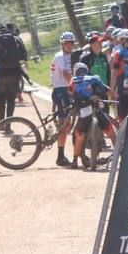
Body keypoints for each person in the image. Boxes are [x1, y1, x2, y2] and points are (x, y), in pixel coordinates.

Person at [69, 62, 113, 170]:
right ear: (86, 70)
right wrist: (113, 96)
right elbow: (107, 90)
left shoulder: (73, 81)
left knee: (79, 135)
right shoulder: (94, 78)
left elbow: (69, 93)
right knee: (111, 131)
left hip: (83, 111)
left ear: (75, 72)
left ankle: (74, 160)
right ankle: (119, 154)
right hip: (96, 109)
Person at [0, 24, 28, 120]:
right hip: (14, 74)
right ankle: (8, 125)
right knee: (11, 100)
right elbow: (23, 56)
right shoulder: (16, 40)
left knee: (1, 99)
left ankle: (1, 122)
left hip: (0, 74)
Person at [50, 31, 78, 167]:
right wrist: (76, 86)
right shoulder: (60, 57)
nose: (69, 45)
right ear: (62, 44)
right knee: (65, 123)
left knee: (70, 121)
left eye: (71, 43)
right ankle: (60, 156)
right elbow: (66, 75)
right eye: (66, 43)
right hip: (61, 90)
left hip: (68, 89)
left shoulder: (73, 56)